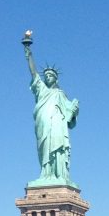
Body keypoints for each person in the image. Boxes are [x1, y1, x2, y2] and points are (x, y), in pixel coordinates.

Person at [24, 44, 79, 187]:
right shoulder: (41, 90)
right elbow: (34, 73)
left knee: (58, 149)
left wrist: (74, 109)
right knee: (44, 148)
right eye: (46, 76)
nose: (48, 77)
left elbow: (69, 114)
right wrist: (28, 53)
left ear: (56, 79)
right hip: (43, 124)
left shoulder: (60, 94)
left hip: (57, 125)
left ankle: (59, 175)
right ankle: (45, 173)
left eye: (51, 76)